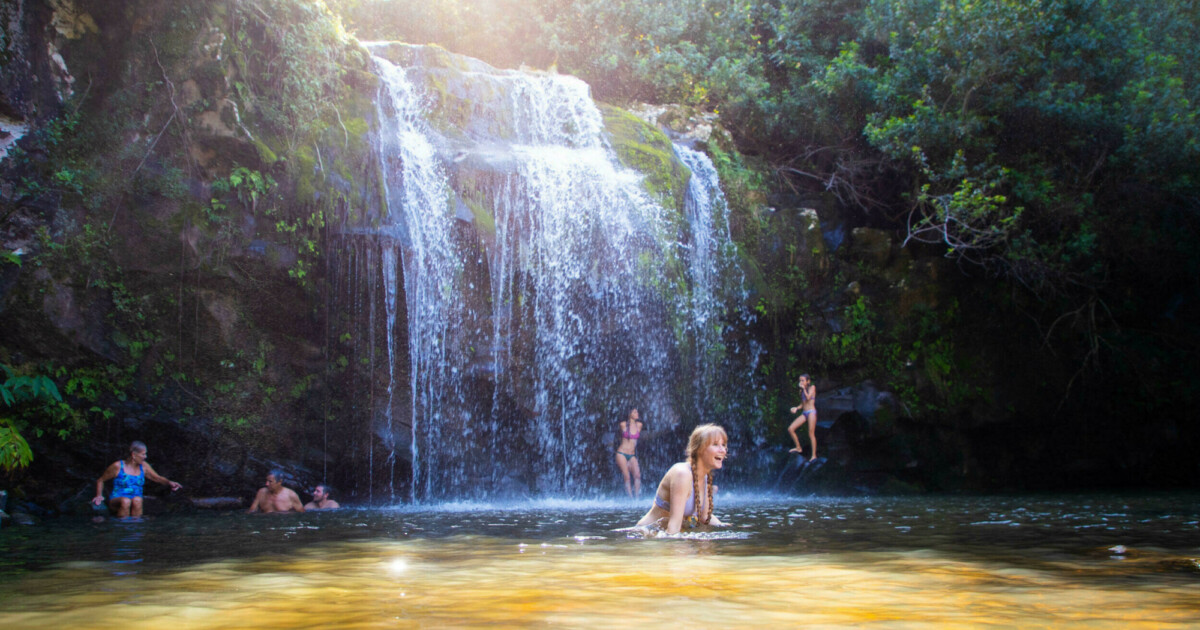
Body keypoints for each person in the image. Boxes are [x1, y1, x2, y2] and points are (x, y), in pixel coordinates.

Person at [636, 423, 727, 534]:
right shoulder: (682, 474)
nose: (723, 450)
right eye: (716, 444)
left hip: (662, 534)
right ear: (699, 449)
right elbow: (674, 526)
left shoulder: (705, 477)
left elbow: (705, 518)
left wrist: (728, 529)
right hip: (646, 535)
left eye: (723, 445)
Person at [92, 441, 182, 517]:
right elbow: (100, 480)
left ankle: (136, 527)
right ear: (134, 455)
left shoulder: (144, 466)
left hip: (136, 499)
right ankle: (121, 526)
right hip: (117, 499)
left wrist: (169, 482)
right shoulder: (118, 466)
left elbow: (157, 478)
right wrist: (99, 495)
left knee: (138, 500)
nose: (145, 456)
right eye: (143, 454)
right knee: (126, 501)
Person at [787, 374, 818, 461]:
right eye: (800, 380)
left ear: (808, 381)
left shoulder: (812, 387)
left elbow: (808, 398)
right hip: (804, 413)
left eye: (803, 380)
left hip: (811, 412)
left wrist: (804, 389)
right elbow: (803, 403)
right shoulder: (801, 391)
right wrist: (796, 408)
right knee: (791, 429)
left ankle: (814, 455)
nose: (801, 382)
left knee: (811, 434)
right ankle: (798, 447)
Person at [615, 407, 643, 498]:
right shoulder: (623, 425)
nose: (637, 413)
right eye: (634, 412)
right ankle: (630, 498)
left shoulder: (639, 425)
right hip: (621, 453)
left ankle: (637, 498)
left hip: (632, 455)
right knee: (626, 476)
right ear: (629, 414)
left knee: (637, 475)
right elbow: (618, 436)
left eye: (637, 412)